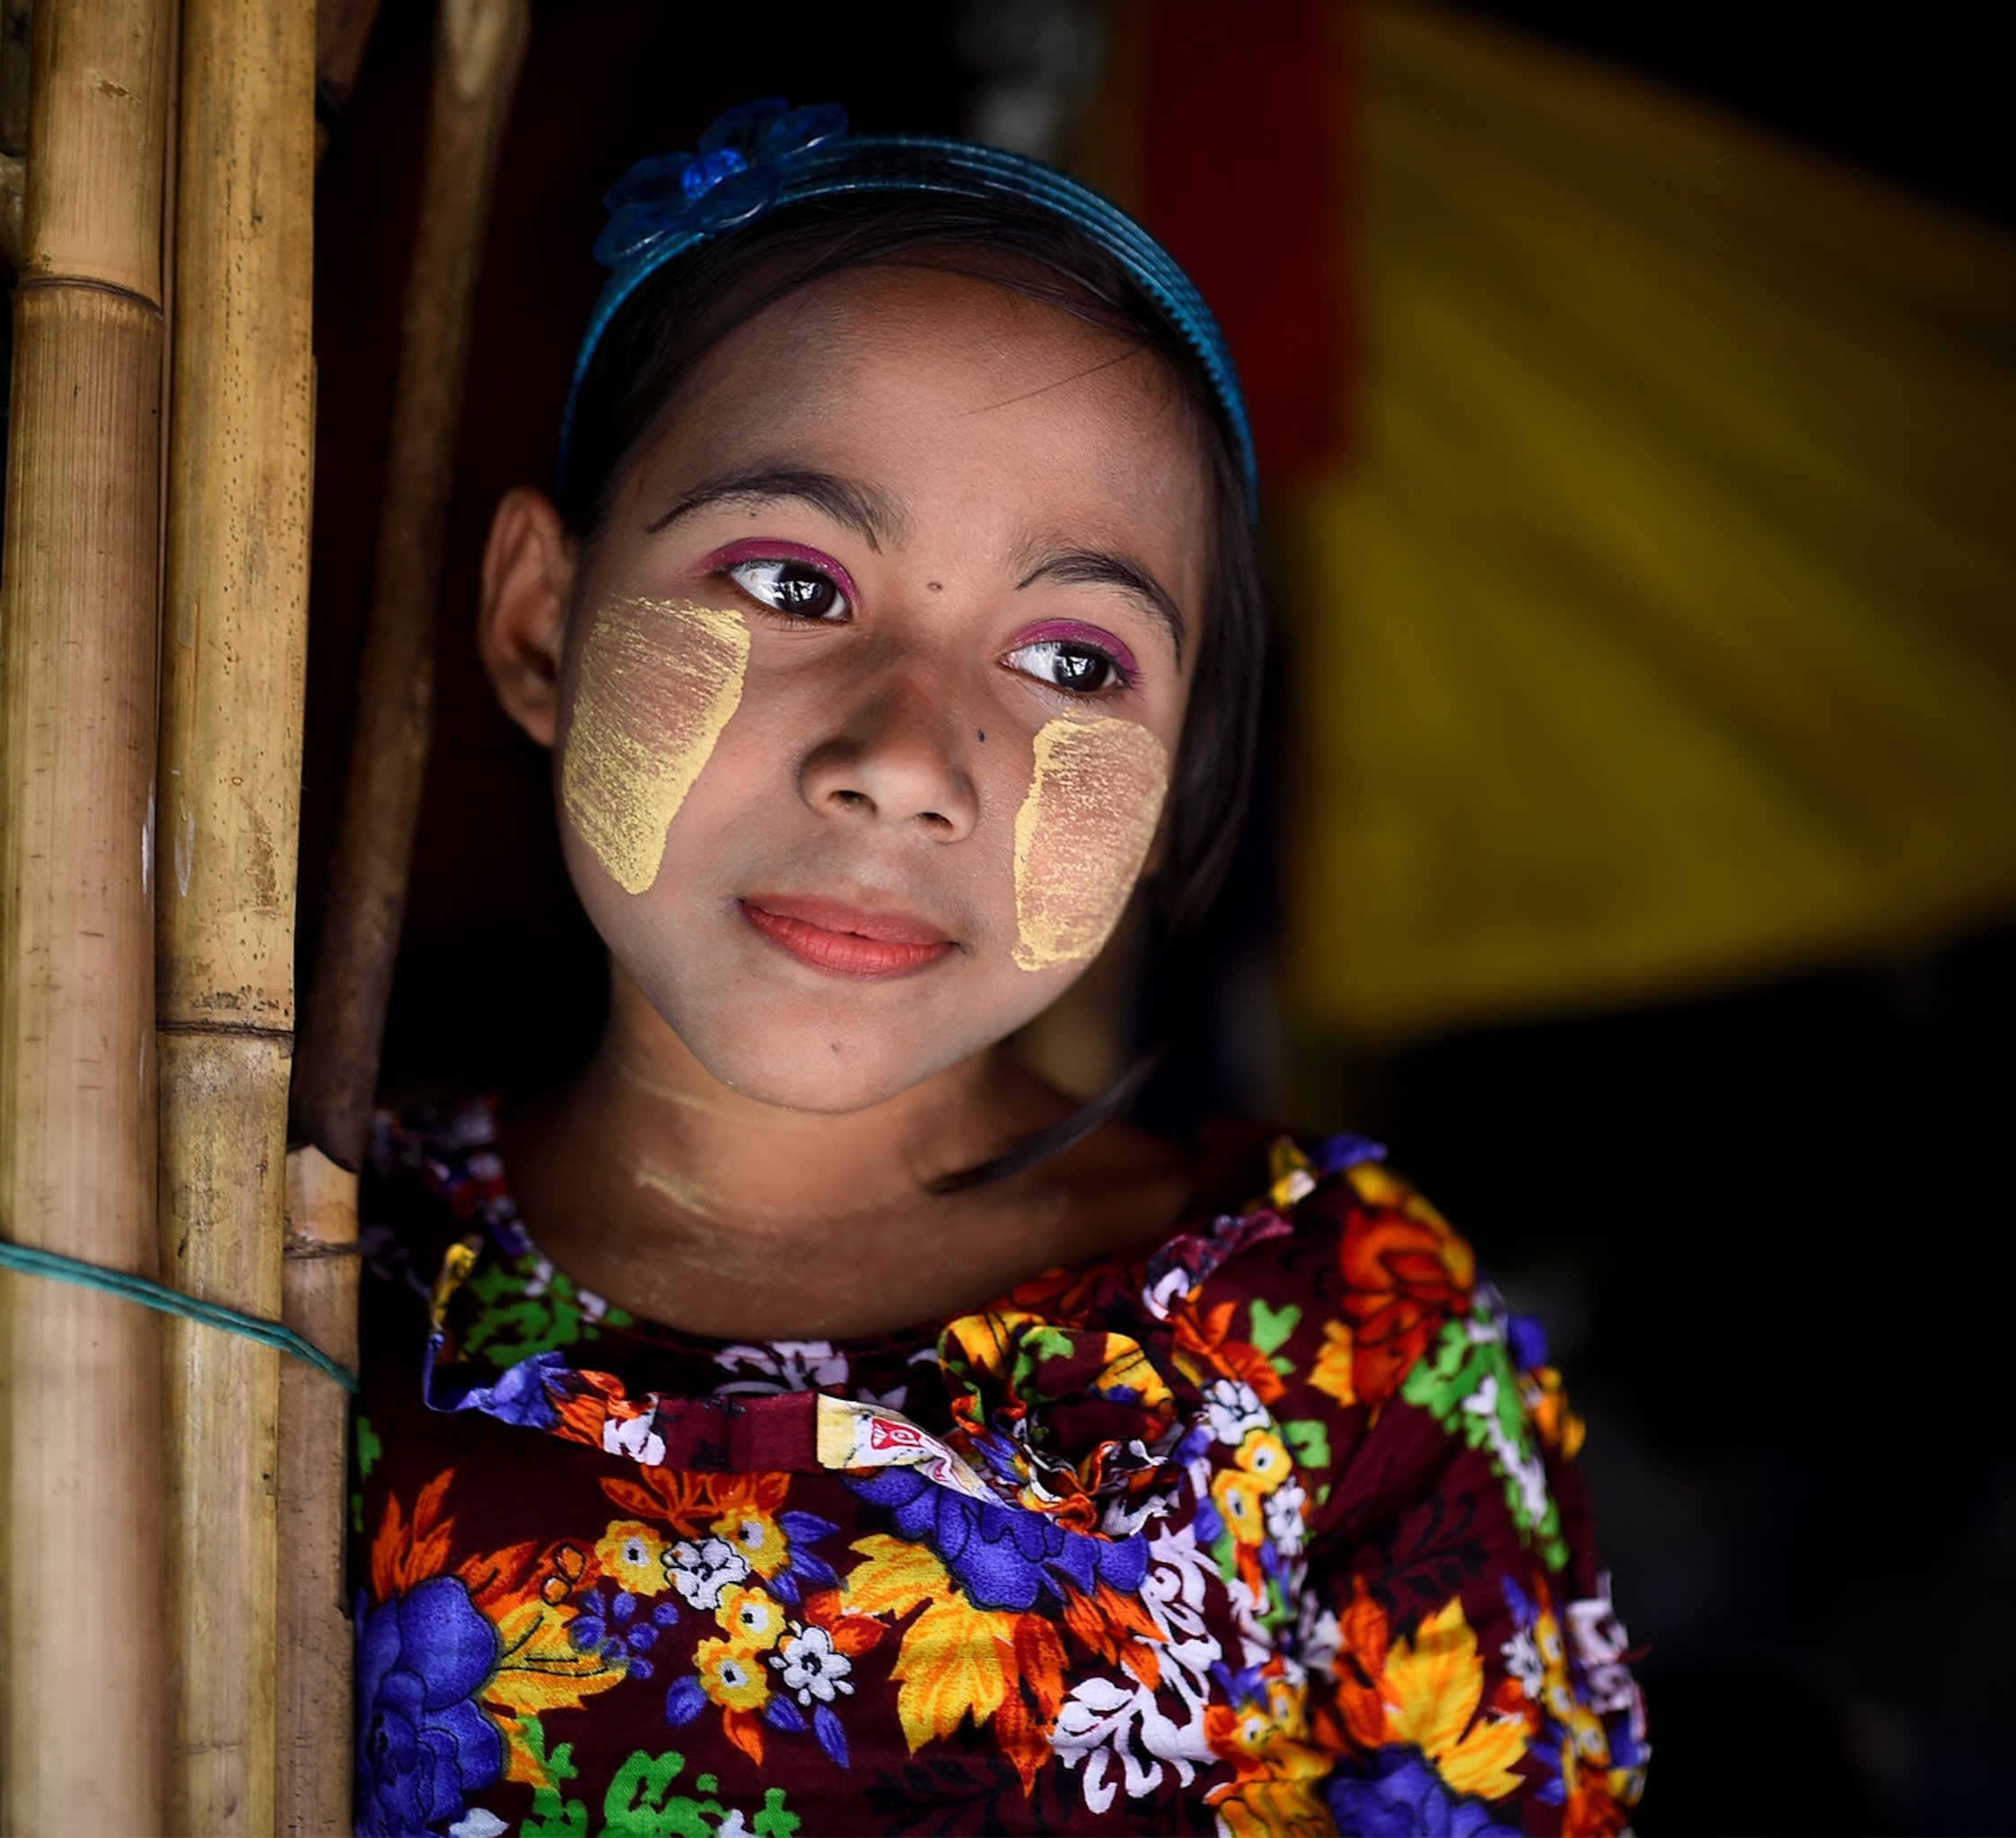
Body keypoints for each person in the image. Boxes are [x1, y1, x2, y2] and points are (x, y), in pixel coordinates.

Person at [350, 101, 1646, 1836]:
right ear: (537, 625)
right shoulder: (300, 1277)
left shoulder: (1342, 1355)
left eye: (1068, 658)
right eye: (794, 581)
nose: (910, 758)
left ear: (1177, 781)